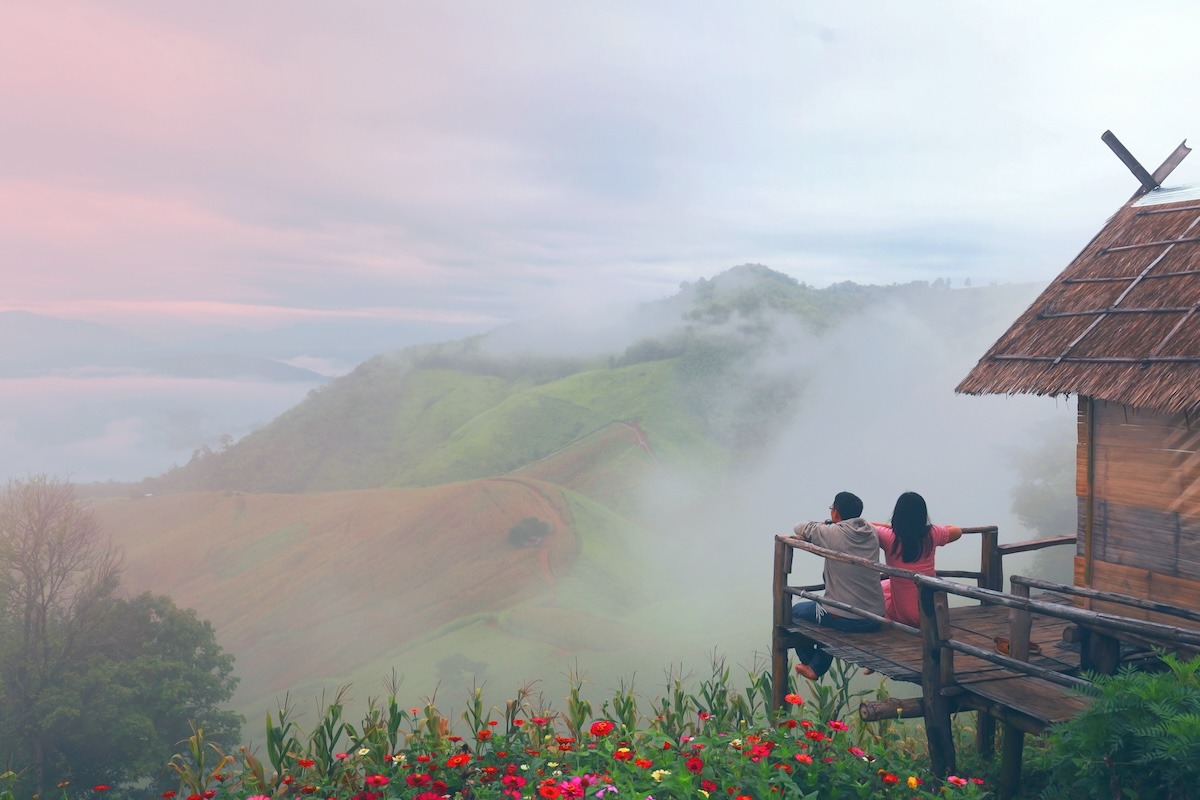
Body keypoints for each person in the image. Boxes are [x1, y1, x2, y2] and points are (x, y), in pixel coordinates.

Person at [790, 491, 885, 680]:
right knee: (830, 614)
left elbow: (799, 527)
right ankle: (816, 664)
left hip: (849, 618)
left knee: (795, 614)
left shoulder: (832, 533)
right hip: (875, 616)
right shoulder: (871, 532)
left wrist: (827, 524)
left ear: (836, 513)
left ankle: (812, 665)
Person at [871, 491, 963, 627]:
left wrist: (892, 527)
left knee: (880, 588)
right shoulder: (933, 534)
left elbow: (868, 525)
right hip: (931, 612)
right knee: (887, 584)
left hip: (903, 614)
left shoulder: (889, 537)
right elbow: (957, 531)